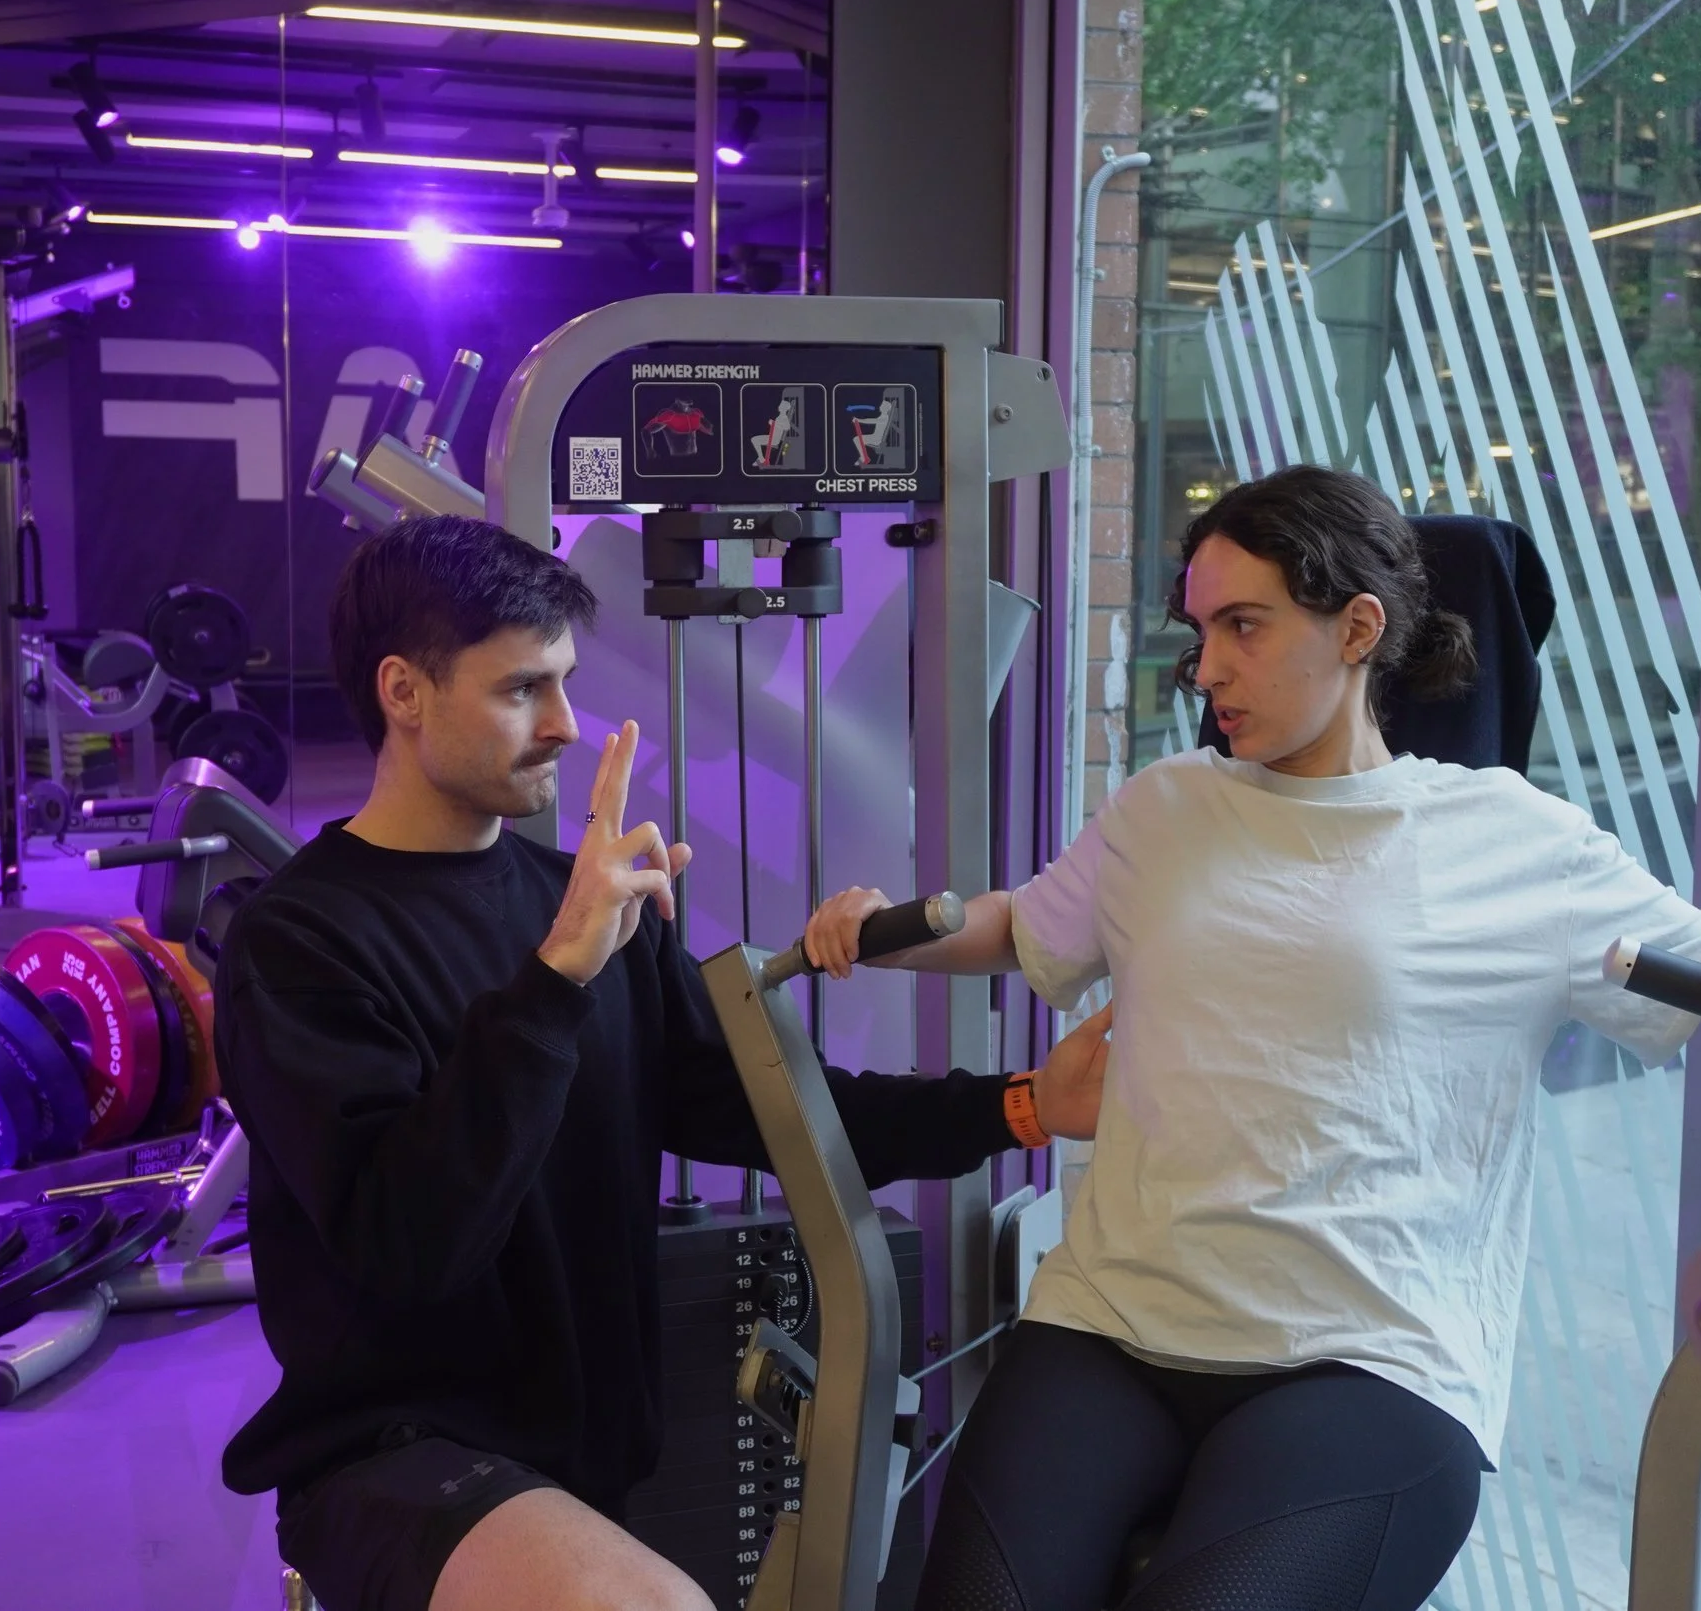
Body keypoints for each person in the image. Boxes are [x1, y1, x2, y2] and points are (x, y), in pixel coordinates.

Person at [803, 465, 1701, 1611]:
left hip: (1372, 1358)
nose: (1209, 667)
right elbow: (1022, 925)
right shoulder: (1164, 806)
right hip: (1113, 1323)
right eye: (1198, 629)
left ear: (1357, 628)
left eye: (1244, 625)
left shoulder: (1511, 838)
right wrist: (883, 932)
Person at [211, 514, 1106, 1611]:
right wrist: (553, 979)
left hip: (580, 1451)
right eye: (520, 690)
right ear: (404, 691)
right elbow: (414, 1242)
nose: (563, 724)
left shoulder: (569, 903)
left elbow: (761, 1105)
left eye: (565, 683)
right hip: (390, 1448)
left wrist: (1021, 1104)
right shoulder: (299, 940)